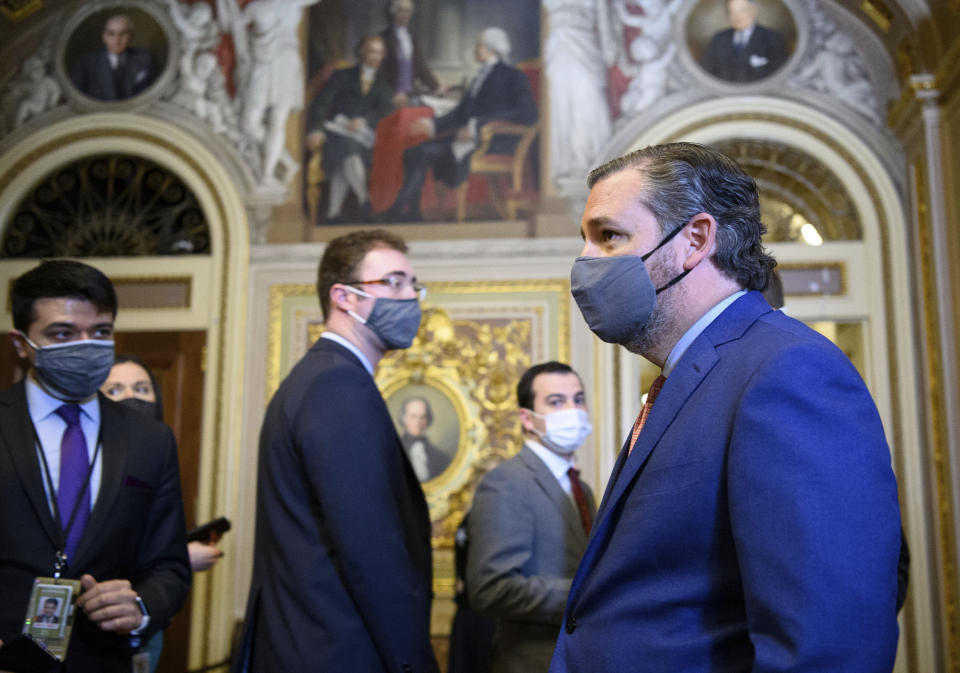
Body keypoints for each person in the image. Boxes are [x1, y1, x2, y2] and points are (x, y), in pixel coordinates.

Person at [550, 143, 902, 672]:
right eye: (586, 240)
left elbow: (828, 645)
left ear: (694, 240)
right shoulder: (688, 375)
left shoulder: (787, 371)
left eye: (609, 236)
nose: (585, 262)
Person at [235, 229, 438, 673]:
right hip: (337, 649)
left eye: (412, 285)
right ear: (344, 297)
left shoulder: (321, 378)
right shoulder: (338, 385)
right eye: (394, 282)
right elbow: (369, 546)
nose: (410, 299)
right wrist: (412, 663)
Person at [0, 260, 191, 672]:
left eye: (100, 332)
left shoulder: (150, 440)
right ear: (21, 343)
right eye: (63, 334)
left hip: (104, 661)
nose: (85, 345)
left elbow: (169, 566)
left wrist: (141, 607)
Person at [468, 361, 595, 673]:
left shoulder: (583, 487)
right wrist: (585, 595)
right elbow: (491, 590)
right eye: (556, 402)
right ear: (527, 418)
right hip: (533, 662)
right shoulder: (506, 483)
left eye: (578, 400)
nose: (573, 411)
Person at [99, 354, 223, 672]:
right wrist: (184, 554)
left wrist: (174, 556)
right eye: (115, 390)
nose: (131, 397)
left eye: (141, 389)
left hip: (145, 625)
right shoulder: (84, 463)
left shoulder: (160, 458)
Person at [380, 27, 537, 222]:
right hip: (469, 140)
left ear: (489, 49)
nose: (475, 49)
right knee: (414, 151)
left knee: (423, 152)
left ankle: (397, 209)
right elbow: (461, 113)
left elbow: (527, 113)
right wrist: (432, 124)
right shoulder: (480, 76)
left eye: (479, 45)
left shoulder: (513, 76)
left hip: (494, 142)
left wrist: (478, 125)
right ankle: (410, 211)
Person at [305, 34, 394, 223]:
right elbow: (321, 103)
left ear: (383, 55)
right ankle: (366, 200)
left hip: (364, 138)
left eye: (379, 53)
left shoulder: (383, 84)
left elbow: (386, 112)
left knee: (346, 159)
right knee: (347, 148)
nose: (375, 57)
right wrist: (316, 129)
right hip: (336, 134)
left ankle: (333, 213)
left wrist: (364, 120)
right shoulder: (342, 75)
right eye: (371, 51)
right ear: (362, 51)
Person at [71, 14, 157, 101]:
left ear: (131, 37)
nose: (117, 39)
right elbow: (76, 99)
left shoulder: (146, 60)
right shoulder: (86, 63)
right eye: (111, 34)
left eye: (122, 34)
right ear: (104, 37)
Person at [699, 0, 787, 83]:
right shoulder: (718, 39)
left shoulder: (773, 38)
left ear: (753, 11)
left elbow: (780, 75)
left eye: (742, 11)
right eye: (732, 12)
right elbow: (704, 72)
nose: (737, 17)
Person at [380, 0, 439, 107]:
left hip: (410, 96)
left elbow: (421, 67)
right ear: (393, 12)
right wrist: (391, 94)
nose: (405, 15)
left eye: (408, 11)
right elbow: (379, 73)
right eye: (401, 11)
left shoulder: (412, 38)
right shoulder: (383, 38)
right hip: (390, 97)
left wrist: (436, 86)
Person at [399, 396, 450, 481]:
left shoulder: (440, 457)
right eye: (413, 416)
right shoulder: (392, 451)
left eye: (422, 417)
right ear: (404, 419)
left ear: (427, 421)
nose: (418, 422)